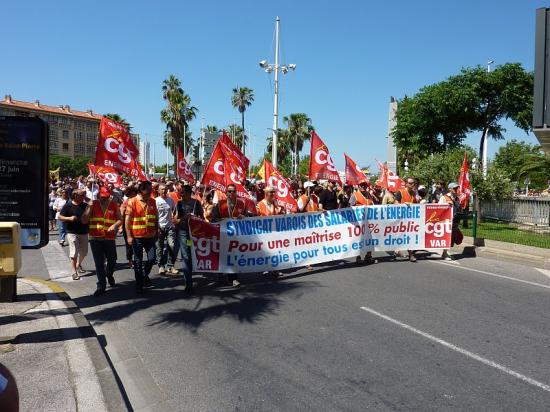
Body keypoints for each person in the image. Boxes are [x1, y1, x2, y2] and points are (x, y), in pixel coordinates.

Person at [125, 181, 159, 294]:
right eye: (149, 190)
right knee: (138, 261)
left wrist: (157, 231)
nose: (151, 192)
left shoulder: (153, 201)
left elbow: (155, 218)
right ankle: (139, 283)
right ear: (142, 190)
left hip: (150, 236)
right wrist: (129, 236)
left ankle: (144, 275)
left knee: (152, 258)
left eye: (151, 190)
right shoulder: (132, 201)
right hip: (137, 237)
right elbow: (127, 221)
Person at [210, 184, 247, 286]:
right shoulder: (220, 204)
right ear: (226, 193)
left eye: (233, 191)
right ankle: (220, 273)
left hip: (236, 235)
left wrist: (243, 217)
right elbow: (214, 218)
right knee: (222, 255)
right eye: (229, 191)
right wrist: (225, 220)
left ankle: (233, 278)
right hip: (223, 234)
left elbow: (248, 218)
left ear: (236, 192)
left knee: (233, 256)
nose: (231, 193)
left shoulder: (241, 204)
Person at [88, 187, 122, 296]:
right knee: (99, 263)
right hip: (95, 238)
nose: (104, 199)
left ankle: (109, 274)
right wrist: (89, 206)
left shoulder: (113, 205)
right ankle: (101, 286)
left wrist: (115, 225)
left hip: (109, 238)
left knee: (112, 260)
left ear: (110, 196)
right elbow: (84, 219)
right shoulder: (93, 204)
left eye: (106, 197)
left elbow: (120, 219)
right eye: (102, 197)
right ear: (98, 196)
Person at [173, 184, 204, 292]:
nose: (181, 194)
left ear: (189, 193)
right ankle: (188, 282)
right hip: (184, 233)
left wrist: (196, 218)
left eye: (183, 192)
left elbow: (202, 218)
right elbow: (174, 220)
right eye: (180, 192)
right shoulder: (178, 204)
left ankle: (192, 270)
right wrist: (183, 218)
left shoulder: (196, 203)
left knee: (192, 254)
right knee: (185, 256)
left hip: (195, 234)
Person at [59, 189, 91, 280]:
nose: (83, 197)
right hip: (71, 232)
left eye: (84, 195)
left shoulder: (85, 206)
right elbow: (60, 217)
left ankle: (78, 264)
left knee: (84, 252)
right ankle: (74, 271)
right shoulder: (68, 205)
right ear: (75, 195)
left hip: (84, 232)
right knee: (74, 252)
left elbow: (89, 217)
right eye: (81, 195)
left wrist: (90, 204)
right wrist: (69, 218)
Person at [155, 184, 178, 276]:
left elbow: (175, 211)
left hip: (170, 227)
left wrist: (174, 220)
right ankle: (161, 266)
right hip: (159, 227)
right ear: (158, 191)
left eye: (165, 189)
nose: (164, 191)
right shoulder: (156, 201)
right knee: (160, 248)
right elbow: (153, 215)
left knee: (172, 246)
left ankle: (171, 265)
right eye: (162, 189)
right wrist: (156, 227)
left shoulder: (170, 200)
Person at [394, 177, 419, 262]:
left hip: (411, 220)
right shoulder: (400, 192)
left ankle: (411, 254)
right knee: (400, 236)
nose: (413, 185)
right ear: (406, 183)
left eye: (414, 183)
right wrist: (403, 204)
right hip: (401, 219)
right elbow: (396, 203)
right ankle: (397, 250)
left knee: (410, 237)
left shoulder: (414, 193)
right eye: (411, 183)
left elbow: (416, 205)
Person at [439, 182, 463, 260]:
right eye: (454, 188)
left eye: (457, 188)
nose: (456, 189)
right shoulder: (444, 197)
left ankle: (445, 253)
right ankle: (444, 254)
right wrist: (446, 206)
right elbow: (438, 208)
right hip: (447, 221)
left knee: (452, 238)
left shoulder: (457, 198)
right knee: (447, 237)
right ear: (450, 189)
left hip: (455, 221)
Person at [120, 186, 137, 268]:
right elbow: (121, 215)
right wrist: (120, 227)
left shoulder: (139, 202)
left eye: (135, 194)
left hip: (137, 225)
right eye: (132, 195)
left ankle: (137, 259)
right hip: (127, 226)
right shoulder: (126, 202)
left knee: (137, 244)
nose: (134, 196)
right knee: (129, 244)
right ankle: (130, 261)